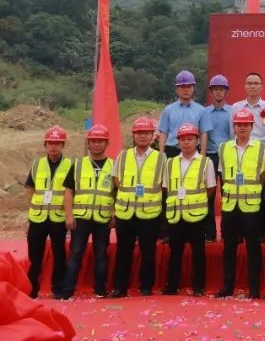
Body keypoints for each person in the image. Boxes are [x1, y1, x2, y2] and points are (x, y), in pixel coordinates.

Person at [215, 108, 265, 299]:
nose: (242, 128)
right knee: (228, 248)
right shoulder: (224, 148)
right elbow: (222, 175)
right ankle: (227, 286)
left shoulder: (261, 148)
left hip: (252, 206)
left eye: (246, 124)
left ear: (252, 126)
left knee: (253, 248)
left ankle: (254, 288)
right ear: (234, 127)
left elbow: (264, 176)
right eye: (239, 125)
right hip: (230, 207)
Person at [111, 117, 166, 298]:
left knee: (148, 252)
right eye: (139, 133)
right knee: (123, 252)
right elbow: (116, 180)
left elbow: (163, 185)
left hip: (149, 213)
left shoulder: (160, 158)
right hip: (126, 213)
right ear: (133, 136)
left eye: (147, 133)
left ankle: (146, 287)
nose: (143, 137)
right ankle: (120, 288)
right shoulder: (123, 155)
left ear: (152, 136)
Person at [60, 124, 113, 300]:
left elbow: (118, 192)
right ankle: (67, 291)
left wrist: (114, 215)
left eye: (100, 141)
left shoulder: (114, 166)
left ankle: (100, 290)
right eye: (93, 141)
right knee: (75, 253)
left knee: (101, 255)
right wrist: (69, 215)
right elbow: (68, 191)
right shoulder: (78, 165)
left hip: (102, 219)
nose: (96, 144)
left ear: (107, 143)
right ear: (88, 144)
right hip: (80, 219)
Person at [163, 123, 215, 296]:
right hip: (176, 214)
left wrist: (195, 201)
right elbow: (165, 187)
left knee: (198, 252)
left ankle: (198, 286)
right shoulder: (170, 163)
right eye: (183, 139)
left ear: (197, 141)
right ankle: (172, 286)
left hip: (196, 215)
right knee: (175, 252)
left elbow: (210, 188)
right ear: (178, 142)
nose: (186, 143)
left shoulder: (205, 162)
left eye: (190, 139)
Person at [25, 126, 71, 299]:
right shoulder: (37, 164)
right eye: (51, 143)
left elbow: (70, 191)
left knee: (59, 255)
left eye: (57, 143)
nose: (54, 147)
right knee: (34, 257)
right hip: (38, 218)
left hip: (58, 218)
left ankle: (58, 288)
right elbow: (30, 187)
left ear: (62, 145)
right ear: (45, 145)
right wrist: (32, 208)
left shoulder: (70, 165)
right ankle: (32, 289)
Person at [198, 74, 232, 241]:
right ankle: (209, 233)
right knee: (209, 195)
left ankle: (228, 232)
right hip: (210, 156)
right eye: (215, 90)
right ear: (211, 92)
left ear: (226, 92)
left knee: (229, 195)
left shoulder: (233, 112)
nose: (218, 93)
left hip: (228, 156)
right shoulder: (204, 113)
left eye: (222, 89)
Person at [157, 70, 205, 157]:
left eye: (189, 86)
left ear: (194, 88)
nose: (186, 90)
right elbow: (163, 133)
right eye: (182, 87)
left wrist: (202, 154)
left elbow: (203, 134)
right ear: (176, 89)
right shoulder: (168, 110)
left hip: (193, 151)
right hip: (172, 151)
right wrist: (161, 153)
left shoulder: (201, 110)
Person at [232, 72, 265, 149]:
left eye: (256, 83)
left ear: (262, 87)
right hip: (241, 147)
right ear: (245, 86)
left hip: (261, 147)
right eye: (249, 83)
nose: (252, 86)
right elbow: (233, 131)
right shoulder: (236, 107)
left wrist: (264, 147)